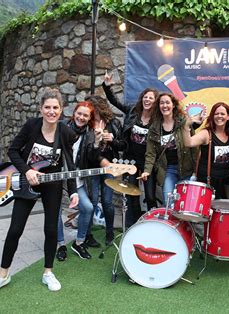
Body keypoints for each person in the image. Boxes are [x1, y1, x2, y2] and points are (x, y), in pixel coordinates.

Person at [0, 88, 79, 298]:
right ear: (41, 109)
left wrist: (73, 191)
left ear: (61, 110)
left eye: (55, 108)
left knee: (51, 230)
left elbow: (69, 164)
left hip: (52, 184)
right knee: (15, 229)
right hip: (26, 183)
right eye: (47, 107)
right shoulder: (32, 126)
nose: (51, 111)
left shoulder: (65, 133)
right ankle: (2, 275)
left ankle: (48, 272)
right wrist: (27, 170)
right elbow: (13, 151)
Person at [56, 101, 113, 261]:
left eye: (85, 115)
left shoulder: (89, 134)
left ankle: (79, 242)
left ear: (89, 118)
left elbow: (92, 158)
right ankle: (60, 245)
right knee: (55, 211)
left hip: (77, 180)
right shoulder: (61, 128)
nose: (81, 117)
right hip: (57, 176)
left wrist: (96, 142)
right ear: (74, 113)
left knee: (87, 208)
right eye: (79, 113)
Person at [102, 72, 159, 228]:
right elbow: (115, 101)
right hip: (131, 160)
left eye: (151, 98)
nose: (147, 100)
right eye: (145, 97)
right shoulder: (133, 110)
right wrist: (107, 86)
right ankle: (134, 225)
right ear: (142, 99)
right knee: (132, 194)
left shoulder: (157, 119)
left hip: (148, 162)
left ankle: (152, 225)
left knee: (150, 195)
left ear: (155, 102)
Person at [140, 92, 197, 206]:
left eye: (167, 102)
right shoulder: (154, 128)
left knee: (184, 203)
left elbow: (194, 148)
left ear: (173, 105)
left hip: (186, 168)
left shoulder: (184, 123)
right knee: (168, 202)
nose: (164, 106)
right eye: (161, 103)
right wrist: (147, 170)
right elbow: (150, 153)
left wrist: (196, 171)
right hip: (168, 169)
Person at [85, 95, 126, 246]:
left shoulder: (113, 123)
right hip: (92, 167)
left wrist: (112, 140)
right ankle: (88, 234)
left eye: (93, 109)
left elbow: (122, 145)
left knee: (107, 202)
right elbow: (85, 149)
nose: (91, 112)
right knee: (93, 201)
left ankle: (109, 232)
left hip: (109, 167)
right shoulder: (86, 124)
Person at [182, 102, 229, 199]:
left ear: (228, 116)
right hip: (208, 182)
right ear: (212, 116)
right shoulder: (206, 134)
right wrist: (186, 126)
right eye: (216, 114)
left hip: (227, 182)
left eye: (222, 114)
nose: (219, 116)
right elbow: (188, 143)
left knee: (228, 211)